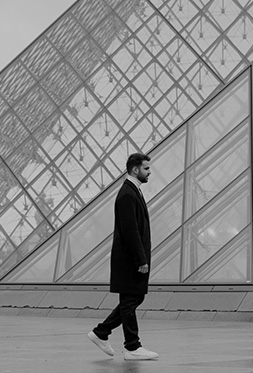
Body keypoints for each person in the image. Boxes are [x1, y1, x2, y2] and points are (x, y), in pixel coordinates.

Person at [87, 153, 158, 361]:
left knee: (134, 297)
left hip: (130, 258)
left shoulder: (132, 191)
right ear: (135, 169)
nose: (149, 171)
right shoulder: (127, 194)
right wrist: (141, 259)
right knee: (130, 299)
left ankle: (102, 332)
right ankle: (132, 346)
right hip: (129, 259)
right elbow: (130, 231)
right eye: (146, 168)